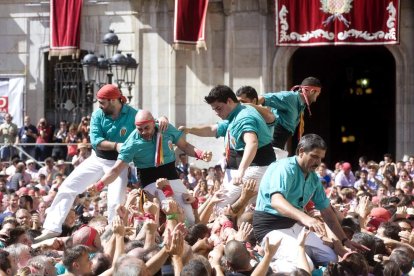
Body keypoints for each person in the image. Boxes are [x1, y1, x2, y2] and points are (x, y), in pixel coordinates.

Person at [35, 84, 168, 242]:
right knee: (67, 186)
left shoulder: (133, 114)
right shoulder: (97, 115)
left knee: (115, 201)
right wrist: (116, 145)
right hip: (97, 159)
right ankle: (52, 228)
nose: (99, 105)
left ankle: (112, 236)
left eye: (102, 102)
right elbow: (96, 141)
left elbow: (150, 123)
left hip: (119, 163)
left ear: (113, 101)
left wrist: (162, 119)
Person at [253, 134, 367, 272]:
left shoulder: (313, 178)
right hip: (269, 228)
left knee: (331, 258)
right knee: (306, 265)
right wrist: (306, 219)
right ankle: (266, 265)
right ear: (301, 151)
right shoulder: (284, 168)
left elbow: (327, 213)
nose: (318, 162)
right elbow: (277, 201)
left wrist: (344, 241)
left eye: (320, 158)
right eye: (314, 156)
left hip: (294, 226)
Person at [89, 109, 212, 224]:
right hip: (150, 180)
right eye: (139, 129)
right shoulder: (131, 143)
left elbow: (184, 146)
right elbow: (116, 170)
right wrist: (99, 185)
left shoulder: (166, 128)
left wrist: (201, 154)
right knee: (169, 207)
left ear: (154, 123)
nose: (143, 132)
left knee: (189, 218)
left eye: (146, 128)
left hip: (171, 176)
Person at [179, 85, 275, 210]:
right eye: (215, 110)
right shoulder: (235, 114)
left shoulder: (243, 117)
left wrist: (241, 171)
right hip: (245, 169)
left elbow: (252, 143)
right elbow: (213, 129)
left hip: (254, 167)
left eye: (219, 108)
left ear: (229, 101)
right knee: (243, 210)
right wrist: (190, 130)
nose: (217, 113)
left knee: (218, 207)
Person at [256, 77, 322, 158]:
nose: (315, 100)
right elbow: (261, 98)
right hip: (270, 146)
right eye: (317, 95)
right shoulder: (289, 97)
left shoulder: (302, 105)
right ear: (312, 91)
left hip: (278, 147)